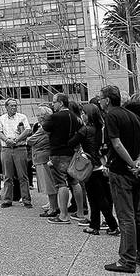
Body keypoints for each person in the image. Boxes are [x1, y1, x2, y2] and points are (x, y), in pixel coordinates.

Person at [99, 86, 140, 273]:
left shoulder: (111, 116)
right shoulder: (132, 116)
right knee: (139, 216)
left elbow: (116, 144)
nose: (100, 101)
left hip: (121, 171)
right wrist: (138, 162)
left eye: (100, 98)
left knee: (126, 217)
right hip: (134, 170)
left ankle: (127, 260)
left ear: (107, 100)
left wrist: (132, 164)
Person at [75, 103, 119, 236]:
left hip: (90, 167)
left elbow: (71, 142)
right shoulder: (101, 128)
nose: (82, 115)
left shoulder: (85, 129)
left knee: (98, 198)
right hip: (100, 165)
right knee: (96, 197)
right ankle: (94, 225)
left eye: (84, 113)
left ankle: (112, 225)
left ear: (89, 115)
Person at [42, 93, 86, 223]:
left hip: (58, 152)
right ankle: (80, 212)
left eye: (54, 102)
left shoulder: (55, 117)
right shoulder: (75, 116)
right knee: (74, 182)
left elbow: (45, 128)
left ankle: (64, 215)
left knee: (61, 183)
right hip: (71, 152)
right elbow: (82, 131)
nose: (52, 104)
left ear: (61, 103)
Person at [0, 98, 32, 208]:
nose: (14, 107)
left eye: (15, 105)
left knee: (23, 175)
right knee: (7, 175)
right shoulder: (2, 118)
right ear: (6, 107)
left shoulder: (22, 117)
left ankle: (26, 200)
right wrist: (7, 140)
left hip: (19, 147)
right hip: (6, 148)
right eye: (11, 105)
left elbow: (27, 130)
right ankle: (7, 199)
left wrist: (16, 140)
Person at [27, 106, 58, 215]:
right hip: (43, 155)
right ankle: (52, 204)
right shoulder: (43, 126)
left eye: (39, 115)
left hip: (43, 156)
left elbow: (31, 140)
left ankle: (53, 208)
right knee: (48, 183)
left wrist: (30, 139)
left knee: (49, 183)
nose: (37, 117)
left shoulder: (44, 127)